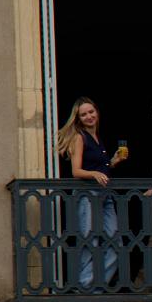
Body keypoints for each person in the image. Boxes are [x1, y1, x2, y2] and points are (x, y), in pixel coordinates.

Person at [55, 97, 128, 289]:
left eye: (91, 112)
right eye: (83, 114)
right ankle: (86, 289)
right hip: (87, 196)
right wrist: (94, 173)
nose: (89, 116)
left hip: (105, 196)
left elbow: (99, 168)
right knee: (89, 242)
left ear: (97, 112)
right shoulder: (79, 137)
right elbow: (76, 171)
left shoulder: (97, 137)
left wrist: (112, 162)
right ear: (78, 118)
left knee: (116, 244)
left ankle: (94, 289)